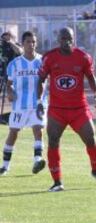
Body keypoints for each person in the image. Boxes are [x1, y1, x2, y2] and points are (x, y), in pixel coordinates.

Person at [36, 27, 96, 192]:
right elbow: (40, 79)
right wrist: (39, 100)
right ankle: (57, 181)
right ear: (58, 39)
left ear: (73, 39)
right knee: (53, 141)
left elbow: (91, 77)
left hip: (79, 108)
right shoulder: (49, 57)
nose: (66, 41)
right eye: (63, 38)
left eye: (69, 38)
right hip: (57, 109)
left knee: (91, 138)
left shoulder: (83, 57)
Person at [0, 31, 46, 176]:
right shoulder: (15, 64)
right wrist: (10, 91)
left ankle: (37, 160)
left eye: (33, 42)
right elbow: (9, 83)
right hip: (20, 104)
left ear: (36, 43)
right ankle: (5, 166)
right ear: (23, 43)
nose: (31, 45)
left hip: (38, 103)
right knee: (13, 132)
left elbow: (47, 81)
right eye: (28, 42)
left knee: (38, 129)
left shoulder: (42, 61)